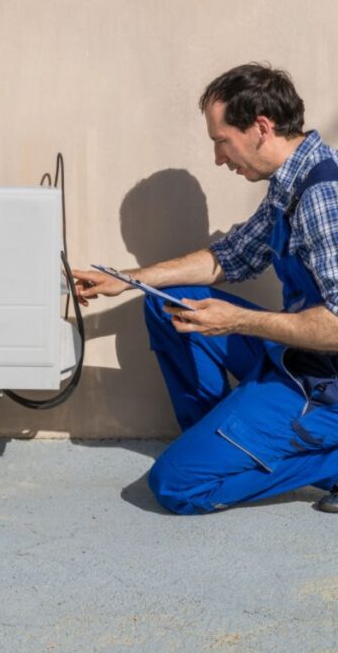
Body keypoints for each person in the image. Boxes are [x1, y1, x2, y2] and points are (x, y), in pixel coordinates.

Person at [73, 63, 338, 514]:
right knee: (169, 308)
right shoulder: (289, 184)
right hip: (295, 360)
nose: (219, 157)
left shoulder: (322, 196)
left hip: (325, 387)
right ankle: (220, 441)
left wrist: (237, 320)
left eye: (221, 141)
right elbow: (227, 257)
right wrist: (127, 279)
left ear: (260, 127)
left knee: (176, 486)